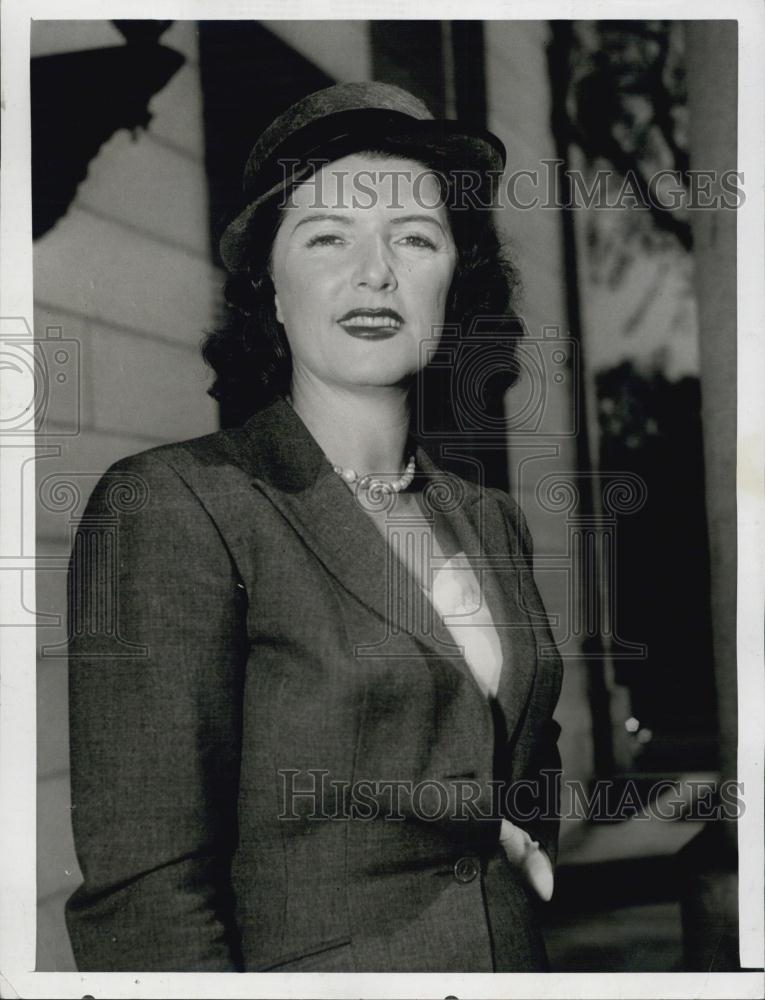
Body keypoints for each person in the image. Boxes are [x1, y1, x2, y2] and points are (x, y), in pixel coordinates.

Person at [65, 81, 563, 973]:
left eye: (414, 239)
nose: (374, 273)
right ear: (272, 289)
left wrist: (521, 854)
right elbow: (145, 895)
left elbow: (526, 744)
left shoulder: (489, 518)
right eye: (327, 236)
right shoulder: (178, 505)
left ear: (457, 282)